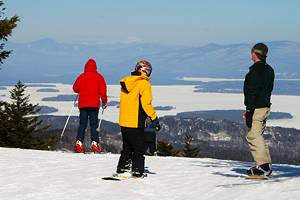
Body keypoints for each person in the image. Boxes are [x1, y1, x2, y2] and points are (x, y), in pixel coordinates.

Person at [116, 60, 161, 178]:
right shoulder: (144, 84)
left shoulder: (127, 82)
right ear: (146, 71)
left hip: (124, 121)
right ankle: (137, 171)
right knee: (138, 148)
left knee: (127, 147)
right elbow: (146, 104)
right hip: (136, 121)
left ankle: (122, 168)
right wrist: (154, 118)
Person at [243, 43, 275, 176]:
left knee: (253, 135)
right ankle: (265, 165)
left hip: (257, 107)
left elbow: (252, 92)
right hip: (265, 106)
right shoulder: (269, 69)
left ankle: (263, 166)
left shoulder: (255, 71)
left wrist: (249, 110)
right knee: (258, 135)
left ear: (254, 54)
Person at [73, 58, 107, 153]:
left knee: (82, 124)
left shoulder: (81, 76)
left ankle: (79, 142)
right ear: (95, 67)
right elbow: (103, 91)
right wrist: (104, 102)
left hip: (83, 105)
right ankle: (95, 143)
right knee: (93, 124)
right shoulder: (99, 77)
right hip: (94, 105)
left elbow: (75, 88)